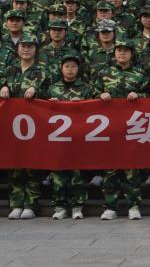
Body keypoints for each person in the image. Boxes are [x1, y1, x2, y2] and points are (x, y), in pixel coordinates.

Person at [97, 37, 149, 220]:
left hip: (133, 128)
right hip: (109, 128)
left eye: (126, 51)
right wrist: (100, 95)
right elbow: (92, 93)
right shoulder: (104, 73)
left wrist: (139, 94)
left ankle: (133, 205)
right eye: (119, 50)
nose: (122, 53)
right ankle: (110, 206)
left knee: (131, 169)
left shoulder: (140, 74)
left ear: (131, 54)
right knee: (110, 169)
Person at [0, 35, 48, 220]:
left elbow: (50, 91)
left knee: (33, 166)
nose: (26, 49)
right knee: (15, 166)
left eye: (30, 46)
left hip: (35, 126)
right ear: (17, 48)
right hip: (12, 126)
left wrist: (37, 90)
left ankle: (31, 204)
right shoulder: (10, 70)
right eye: (23, 46)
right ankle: (16, 203)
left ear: (36, 49)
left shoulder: (41, 71)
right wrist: (3, 87)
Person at [45, 50, 98, 220]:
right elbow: (41, 112)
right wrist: (50, 105)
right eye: (67, 66)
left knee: (77, 174)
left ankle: (77, 206)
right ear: (61, 69)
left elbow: (96, 109)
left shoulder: (87, 88)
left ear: (78, 69)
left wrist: (83, 104)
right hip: (58, 139)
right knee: (58, 174)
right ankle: (60, 206)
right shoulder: (52, 88)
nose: (70, 69)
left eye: (73, 66)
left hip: (79, 138)